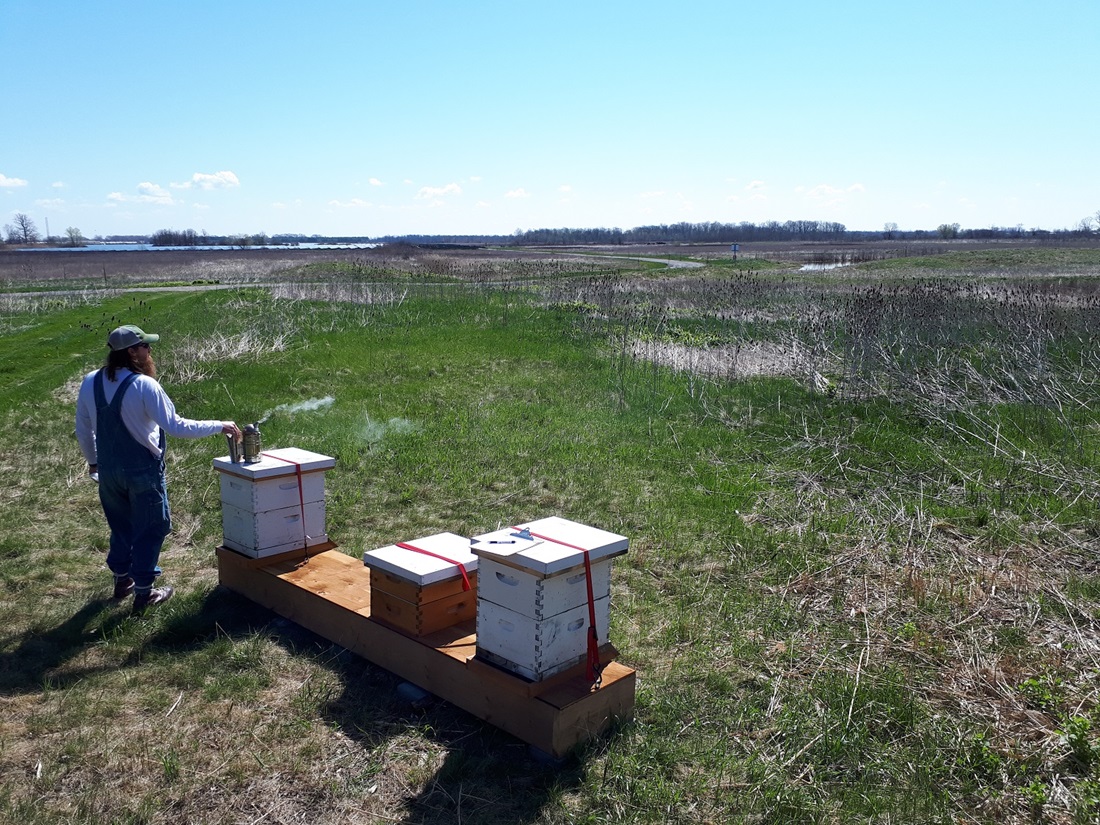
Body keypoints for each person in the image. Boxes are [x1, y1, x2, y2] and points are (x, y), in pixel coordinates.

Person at [76, 324, 241, 613]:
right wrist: (219, 425)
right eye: (145, 346)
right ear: (131, 352)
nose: (150, 351)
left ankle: (122, 579)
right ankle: (145, 591)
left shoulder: (90, 381)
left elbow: (83, 429)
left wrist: (93, 462)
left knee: (121, 526)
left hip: (109, 472)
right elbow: (176, 426)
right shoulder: (144, 385)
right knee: (152, 527)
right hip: (142, 472)